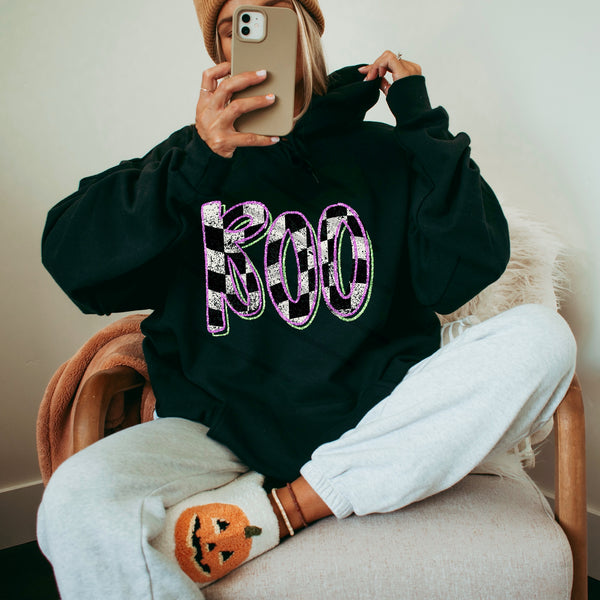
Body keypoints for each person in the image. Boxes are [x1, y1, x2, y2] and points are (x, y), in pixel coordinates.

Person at [37, 0, 576, 598]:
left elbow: (461, 272)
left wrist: (420, 119)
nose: (257, 33)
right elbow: (74, 261)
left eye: (274, 13)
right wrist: (197, 159)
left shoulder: (387, 151)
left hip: (374, 424)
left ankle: (288, 508)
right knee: (72, 501)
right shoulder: (187, 161)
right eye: (235, 27)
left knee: (542, 338)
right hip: (214, 433)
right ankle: (297, 498)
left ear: (309, 29)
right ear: (220, 53)